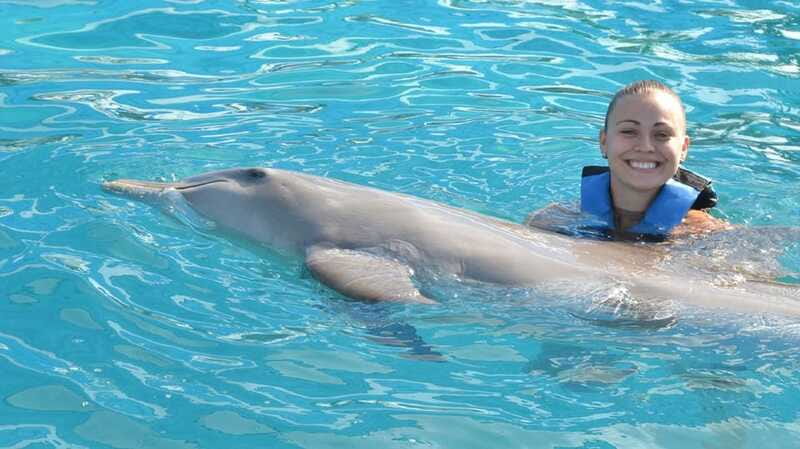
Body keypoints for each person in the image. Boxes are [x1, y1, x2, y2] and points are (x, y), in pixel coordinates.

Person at [526, 80, 729, 242]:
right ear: (604, 142)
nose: (646, 146)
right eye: (629, 131)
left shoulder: (702, 234)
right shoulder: (553, 220)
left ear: (683, 148)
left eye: (662, 134)